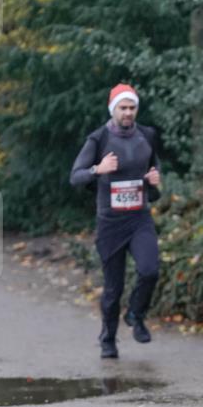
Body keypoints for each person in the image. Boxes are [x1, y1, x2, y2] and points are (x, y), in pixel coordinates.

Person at [70, 84, 162, 359]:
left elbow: (154, 174)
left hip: (139, 217)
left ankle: (136, 314)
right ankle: (108, 339)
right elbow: (75, 176)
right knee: (114, 287)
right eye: (123, 108)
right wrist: (98, 169)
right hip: (110, 222)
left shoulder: (147, 135)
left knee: (149, 270)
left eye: (132, 107)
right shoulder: (98, 139)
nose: (128, 113)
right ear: (113, 109)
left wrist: (154, 181)